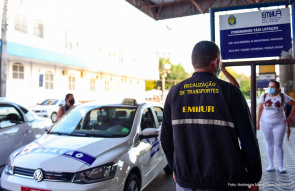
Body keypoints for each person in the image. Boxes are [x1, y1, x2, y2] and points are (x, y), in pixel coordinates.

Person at [160, 40, 262, 191]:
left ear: (193, 62)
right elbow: (248, 140)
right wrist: (253, 178)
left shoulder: (174, 93)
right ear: (216, 62)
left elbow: (166, 138)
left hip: (186, 182)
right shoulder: (230, 92)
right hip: (226, 181)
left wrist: (175, 169)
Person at [257, 80, 295, 173]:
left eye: (273, 87)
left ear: (278, 88)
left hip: (279, 123)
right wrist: (257, 122)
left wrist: (290, 117)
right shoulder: (264, 96)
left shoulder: (282, 96)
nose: (270, 89)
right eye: (269, 87)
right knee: (269, 144)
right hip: (265, 123)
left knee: (278, 145)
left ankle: (281, 166)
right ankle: (271, 165)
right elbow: (260, 109)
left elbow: (294, 104)